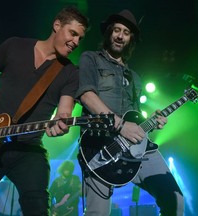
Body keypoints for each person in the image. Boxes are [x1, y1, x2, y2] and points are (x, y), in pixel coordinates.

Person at [0, 6, 89, 216]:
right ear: (57, 25)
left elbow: (65, 110)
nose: (76, 42)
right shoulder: (14, 45)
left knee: (38, 209)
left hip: (29, 150)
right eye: (73, 33)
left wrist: (61, 124)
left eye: (80, 38)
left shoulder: (70, 73)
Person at [76, 9, 184, 216]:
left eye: (126, 32)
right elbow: (87, 96)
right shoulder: (91, 58)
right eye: (117, 30)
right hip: (100, 145)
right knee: (97, 213)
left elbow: (135, 116)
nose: (120, 36)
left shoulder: (135, 76)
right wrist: (120, 125)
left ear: (130, 39)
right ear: (109, 32)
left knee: (175, 199)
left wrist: (152, 120)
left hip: (136, 148)